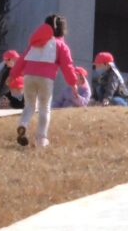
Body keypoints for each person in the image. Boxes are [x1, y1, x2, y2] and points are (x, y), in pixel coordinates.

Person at [10, 14, 80, 148]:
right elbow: (68, 66)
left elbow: (22, 59)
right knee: (44, 108)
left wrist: (13, 74)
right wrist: (73, 84)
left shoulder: (34, 43)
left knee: (29, 106)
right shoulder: (61, 45)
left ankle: (22, 125)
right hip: (46, 79)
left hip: (28, 77)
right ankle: (41, 139)